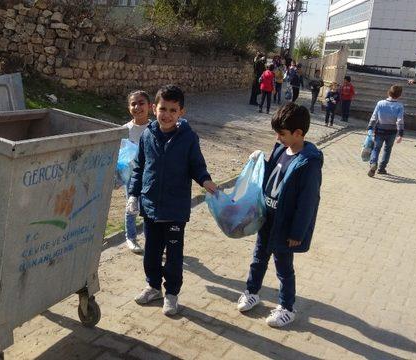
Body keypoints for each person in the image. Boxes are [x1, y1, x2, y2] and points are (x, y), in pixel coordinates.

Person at [127, 85, 218, 316]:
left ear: (181, 113)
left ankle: (172, 294)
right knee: (151, 252)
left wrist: (206, 181)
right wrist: (133, 194)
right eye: (162, 108)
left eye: (172, 110)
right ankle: (153, 287)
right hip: (150, 207)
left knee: (174, 256)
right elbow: (139, 167)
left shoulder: (188, 138)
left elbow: (197, 166)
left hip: (175, 209)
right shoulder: (148, 134)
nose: (166, 114)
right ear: (154, 109)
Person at [236, 103, 323, 328]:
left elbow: (307, 203)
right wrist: (259, 162)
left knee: (283, 268)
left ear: (298, 133)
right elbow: (272, 175)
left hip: (285, 226)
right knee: (258, 259)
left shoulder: (308, 163)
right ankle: (252, 292)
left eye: (282, 133)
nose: (278, 137)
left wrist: (297, 232)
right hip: (268, 219)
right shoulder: (280, 150)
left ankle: (287, 307)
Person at [122, 90, 151, 253]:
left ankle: (150, 238)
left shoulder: (155, 128)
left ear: (149, 106)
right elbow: (120, 156)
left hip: (151, 175)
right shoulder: (125, 130)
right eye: (133, 104)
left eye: (141, 103)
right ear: (129, 107)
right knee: (131, 207)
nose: (137, 107)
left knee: (148, 208)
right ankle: (131, 237)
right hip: (131, 177)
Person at [366, 85, 405, 177]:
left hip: (380, 130)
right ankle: (382, 168)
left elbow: (374, 116)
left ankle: (373, 164)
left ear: (388, 92)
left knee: (376, 148)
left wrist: (370, 127)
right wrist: (400, 134)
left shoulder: (380, 103)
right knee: (387, 149)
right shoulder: (399, 106)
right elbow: (400, 120)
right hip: (392, 132)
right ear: (399, 95)